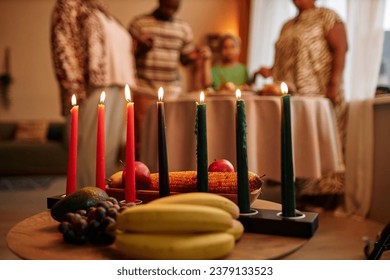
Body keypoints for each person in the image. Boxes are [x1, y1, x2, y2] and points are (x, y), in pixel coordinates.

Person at [255, 0, 348, 208]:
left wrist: (334, 83)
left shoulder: (327, 16)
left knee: (320, 140)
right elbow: (285, 59)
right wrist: (269, 72)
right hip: (291, 95)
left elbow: (341, 48)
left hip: (319, 92)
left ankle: (325, 199)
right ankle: (299, 197)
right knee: (297, 142)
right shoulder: (287, 24)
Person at [51, 0, 136, 187]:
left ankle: (106, 200)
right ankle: (86, 201)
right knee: (91, 153)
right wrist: (74, 89)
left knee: (111, 153)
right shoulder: (70, 5)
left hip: (120, 86)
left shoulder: (105, 13)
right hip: (93, 88)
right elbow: (63, 46)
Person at [128, 0, 207, 158]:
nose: (171, 9)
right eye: (168, 5)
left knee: (168, 137)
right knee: (141, 138)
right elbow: (127, 53)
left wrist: (197, 55)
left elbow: (184, 59)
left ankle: (163, 174)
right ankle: (138, 174)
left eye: (175, 7)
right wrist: (140, 46)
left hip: (172, 90)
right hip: (144, 86)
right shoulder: (139, 23)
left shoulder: (183, 28)